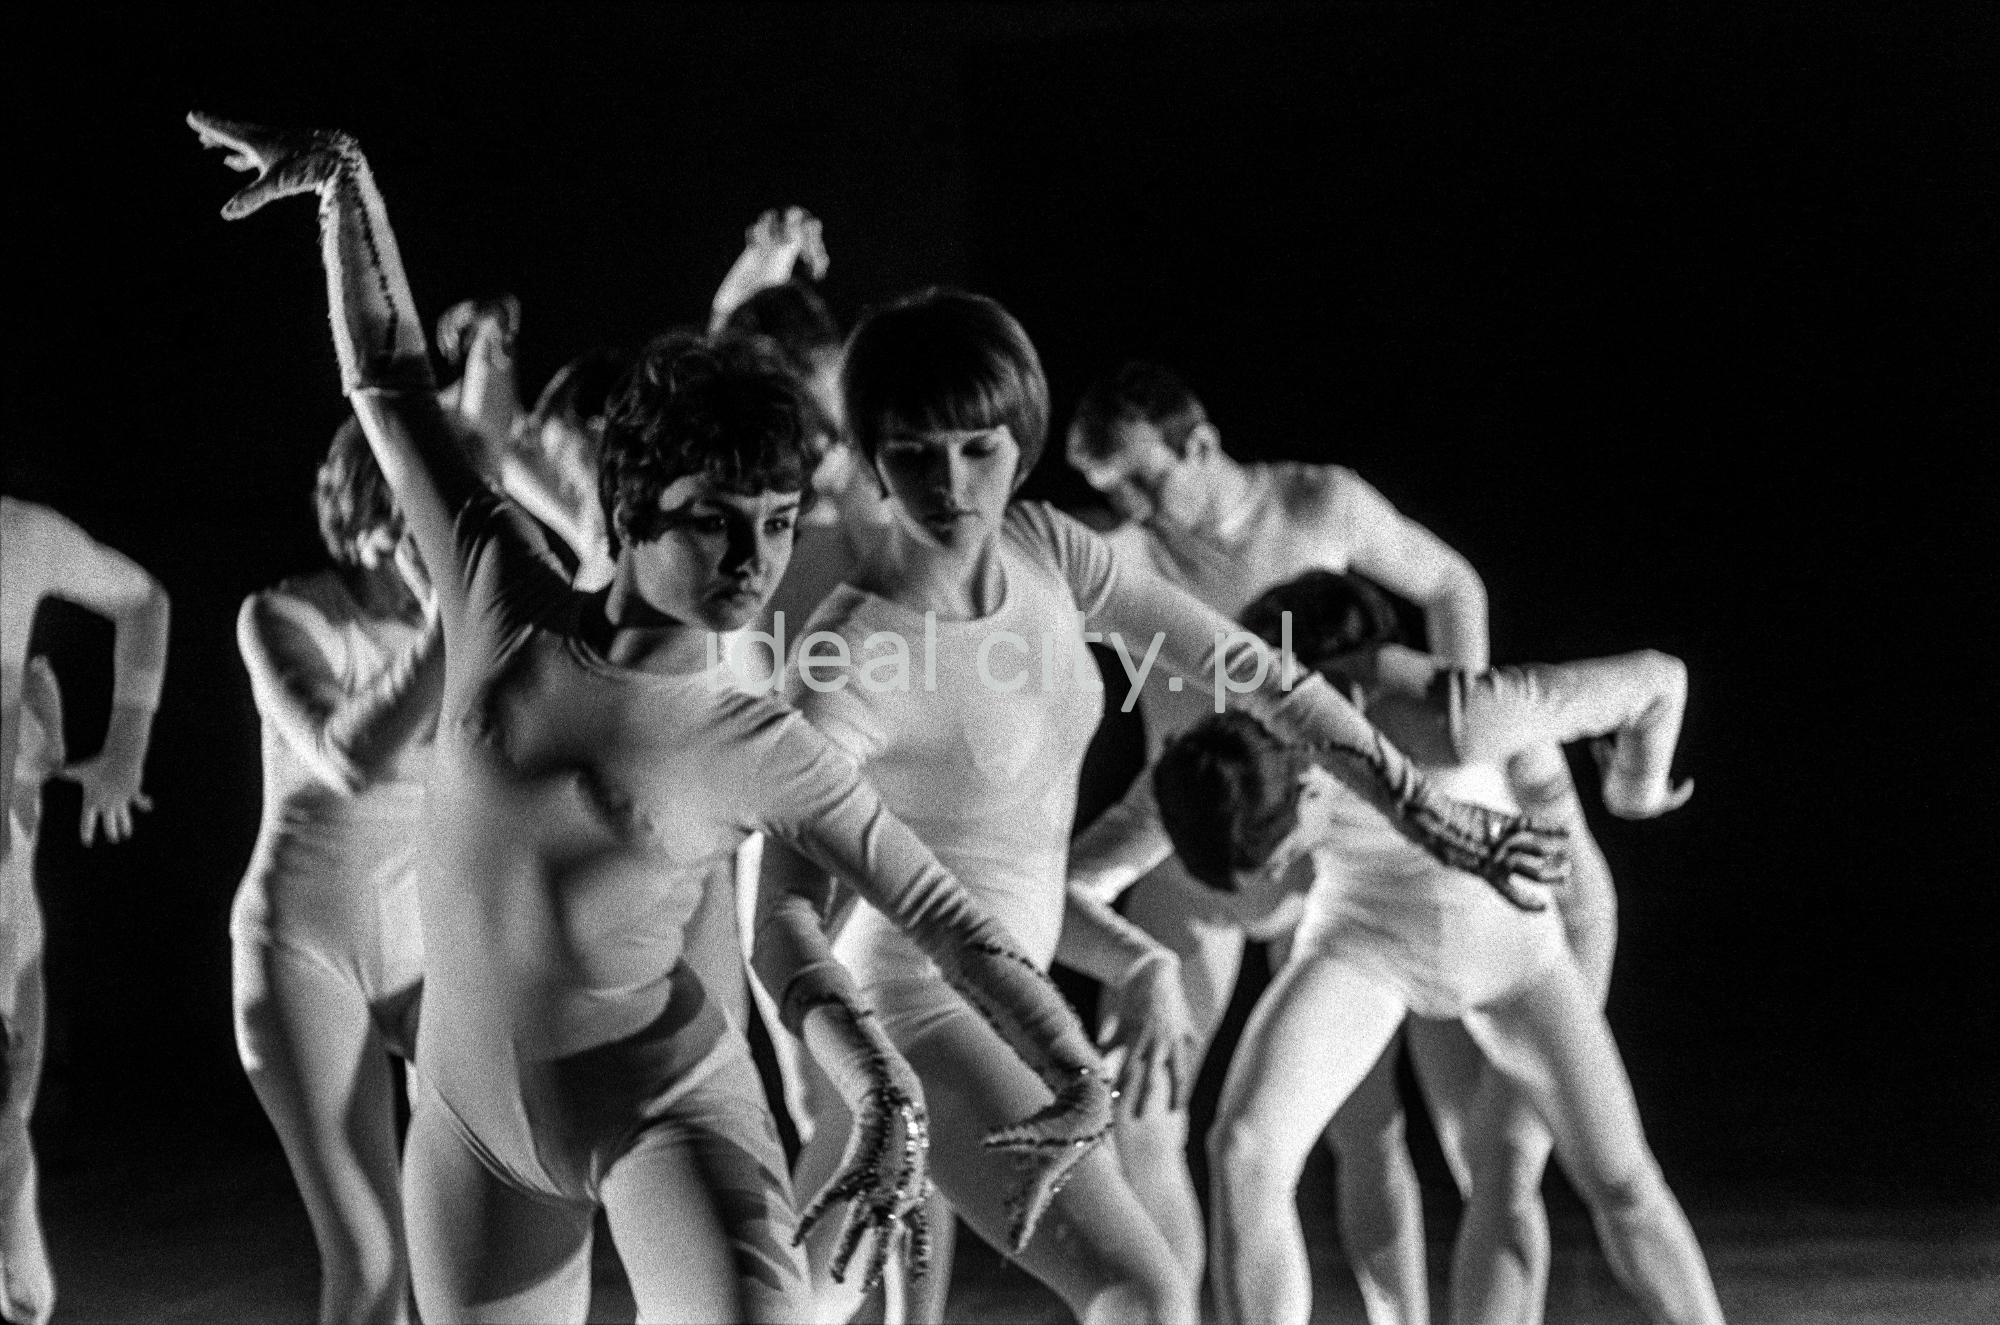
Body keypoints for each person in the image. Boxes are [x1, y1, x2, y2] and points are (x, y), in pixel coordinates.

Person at [192, 112, 1116, 1324]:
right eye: (716, 519)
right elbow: (389, 380)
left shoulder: (765, 737)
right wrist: (344, 191)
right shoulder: (494, 590)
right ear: (626, 514)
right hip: (472, 1128)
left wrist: (1072, 1073)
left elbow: (943, 916)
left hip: (671, 1106)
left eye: (778, 519)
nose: (754, 555)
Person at [758, 289, 1568, 1325]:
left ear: (1021, 440)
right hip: (917, 1009)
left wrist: (1417, 805)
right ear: (872, 456)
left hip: (997, 991)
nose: (951, 483)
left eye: (978, 448)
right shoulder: (853, 653)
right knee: (1140, 1292)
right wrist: (867, 1072)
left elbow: (1258, 672)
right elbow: (778, 917)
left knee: (778, 1305)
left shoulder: (1048, 550)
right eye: (914, 453)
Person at [1063, 359, 1533, 1318]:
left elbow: (1452, 580)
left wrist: (1455, 749)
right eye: (1113, 495)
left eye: (1145, 481)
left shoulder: (1318, 502)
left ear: (1200, 443)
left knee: (1362, 1128)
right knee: (1142, 1104)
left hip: (1324, 845)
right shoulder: (1120, 557)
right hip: (1191, 840)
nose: (1134, 509)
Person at [1150, 577, 1718, 1325]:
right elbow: (1128, 848)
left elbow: (1657, 679)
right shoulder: (1246, 739)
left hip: (1519, 952)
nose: (1287, 709)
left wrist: (1637, 789)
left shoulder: (1461, 716)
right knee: (1246, 1150)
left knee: (1596, 1179)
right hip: (1367, 941)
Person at [231, 422, 440, 1325]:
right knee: (371, 1265)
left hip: (434, 946)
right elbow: (347, 754)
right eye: (407, 522)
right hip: (305, 949)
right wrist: (447, 623)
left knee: (489, 1228)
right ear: (365, 520)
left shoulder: (473, 629)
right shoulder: (284, 616)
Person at [0, 497, 170, 1325]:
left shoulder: (19, 539)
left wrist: (126, 743)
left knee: (6, 1129)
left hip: (5, 917)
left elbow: (144, 602)